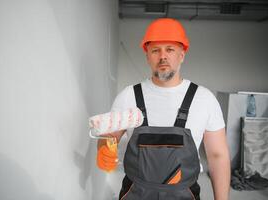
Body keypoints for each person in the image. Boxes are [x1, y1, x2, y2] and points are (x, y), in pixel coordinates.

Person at [97, 18, 230, 200]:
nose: (162, 56)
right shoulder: (128, 96)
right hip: (135, 194)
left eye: (170, 49)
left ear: (181, 55)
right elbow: (110, 137)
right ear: (147, 55)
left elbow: (218, 156)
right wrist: (104, 147)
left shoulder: (204, 99)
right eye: (155, 50)